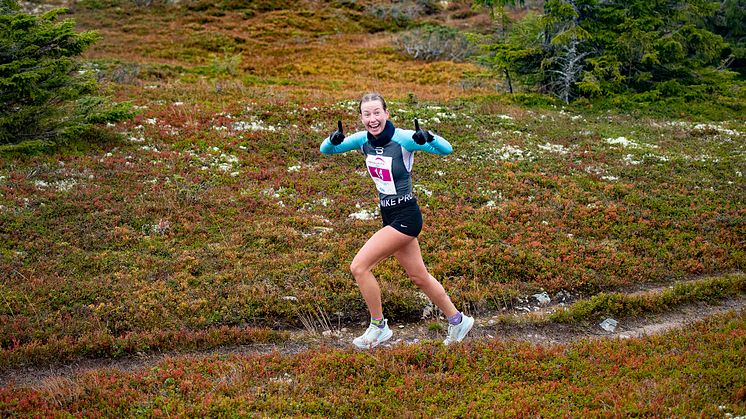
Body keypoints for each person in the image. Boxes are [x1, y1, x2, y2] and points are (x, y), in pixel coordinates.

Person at [319, 92, 474, 349]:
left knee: (359, 267)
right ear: (361, 117)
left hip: (406, 215)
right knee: (419, 276)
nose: (372, 118)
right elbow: (327, 150)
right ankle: (457, 320)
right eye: (366, 114)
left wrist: (428, 138)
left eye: (377, 112)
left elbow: (447, 150)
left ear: (386, 113)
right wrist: (332, 139)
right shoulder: (361, 140)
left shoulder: (402, 138)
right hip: (389, 215)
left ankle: (378, 326)